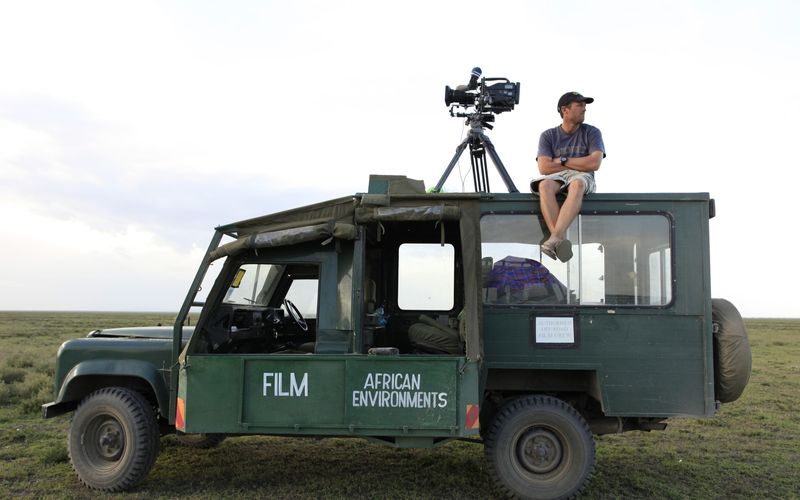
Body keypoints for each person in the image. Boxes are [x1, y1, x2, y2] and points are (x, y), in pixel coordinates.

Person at [532, 91, 605, 262]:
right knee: (544, 185)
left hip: (583, 176)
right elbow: (544, 167)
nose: (584, 109)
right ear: (565, 110)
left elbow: (594, 164)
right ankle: (559, 240)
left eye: (585, 106)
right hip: (560, 175)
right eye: (579, 105)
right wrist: (578, 162)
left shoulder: (592, 132)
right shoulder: (548, 135)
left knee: (577, 184)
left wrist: (562, 160)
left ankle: (554, 238)